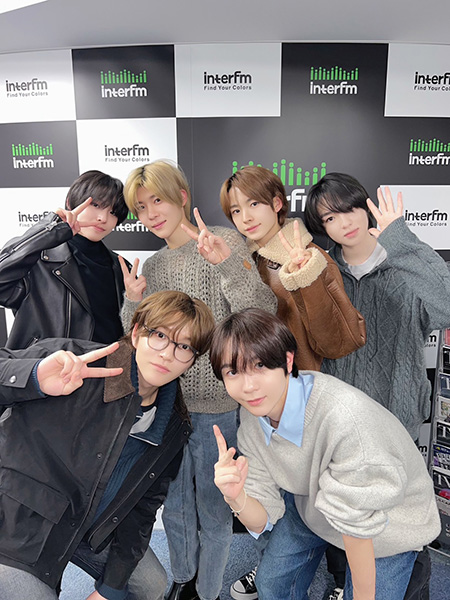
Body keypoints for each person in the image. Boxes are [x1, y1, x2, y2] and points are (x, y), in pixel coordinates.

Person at [120, 160, 277, 600]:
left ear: (182, 196)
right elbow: (137, 338)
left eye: (157, 200)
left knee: (214, 506)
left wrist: (227, 265)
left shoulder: (224, 241)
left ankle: (207, 592)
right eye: (141, 207)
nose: (150, 213)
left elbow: (262, 314)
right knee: (173, 506)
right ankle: (183, 579)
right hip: (168, 408)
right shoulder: (152, 265)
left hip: (219, 409)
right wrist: (132, 302)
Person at [210, 308, 441, 600]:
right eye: (233, 372)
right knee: (271, 585)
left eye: (260, 366)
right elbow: (260, 519)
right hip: (311, 501)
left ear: (288, 360)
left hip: (387, 521)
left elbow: (357, 527)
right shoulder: (252, 416)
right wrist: (235, 496)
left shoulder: (345, 419)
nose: (249, 386)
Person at [0, 290, 215, 600]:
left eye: (184, 346)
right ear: (137, 332)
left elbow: (141, 511)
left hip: (91, 526)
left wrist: (109, 590)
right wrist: (34, 377)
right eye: (160, 336)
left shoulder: (173, 425)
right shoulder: (75, 361)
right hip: (21, 519)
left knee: (152, 585)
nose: (168, 354)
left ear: (192, 359)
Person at [219, 165, 366, 599]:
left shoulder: (307, 253)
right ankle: (271, 563)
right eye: (236, 210)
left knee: (326, 492)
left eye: (254, 204)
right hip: (259, 398)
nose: (246, 216)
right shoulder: (240, 258)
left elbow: (340, 341)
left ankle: (339, 580)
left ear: (278, 203)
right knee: (271, 489)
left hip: (306, 396)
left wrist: (305, 280)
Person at [304, 173, 450, 600]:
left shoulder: (406, 263)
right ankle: (341, 583)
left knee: (401, 523)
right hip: (338, 422)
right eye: (330, 218)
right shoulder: (321, 270)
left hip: (396, 418)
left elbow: (446, 307)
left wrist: (400, 239)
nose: (344, 223)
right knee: (340, 511)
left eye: (349, 209)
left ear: (365, 206)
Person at [0, 170, 129, 348]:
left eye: (113, 212)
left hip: (106, 364)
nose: (103, 218)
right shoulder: (38, 259)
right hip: (46, 363)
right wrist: (49, 228)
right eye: (96, 205)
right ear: (69, 202)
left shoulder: (121, 267)